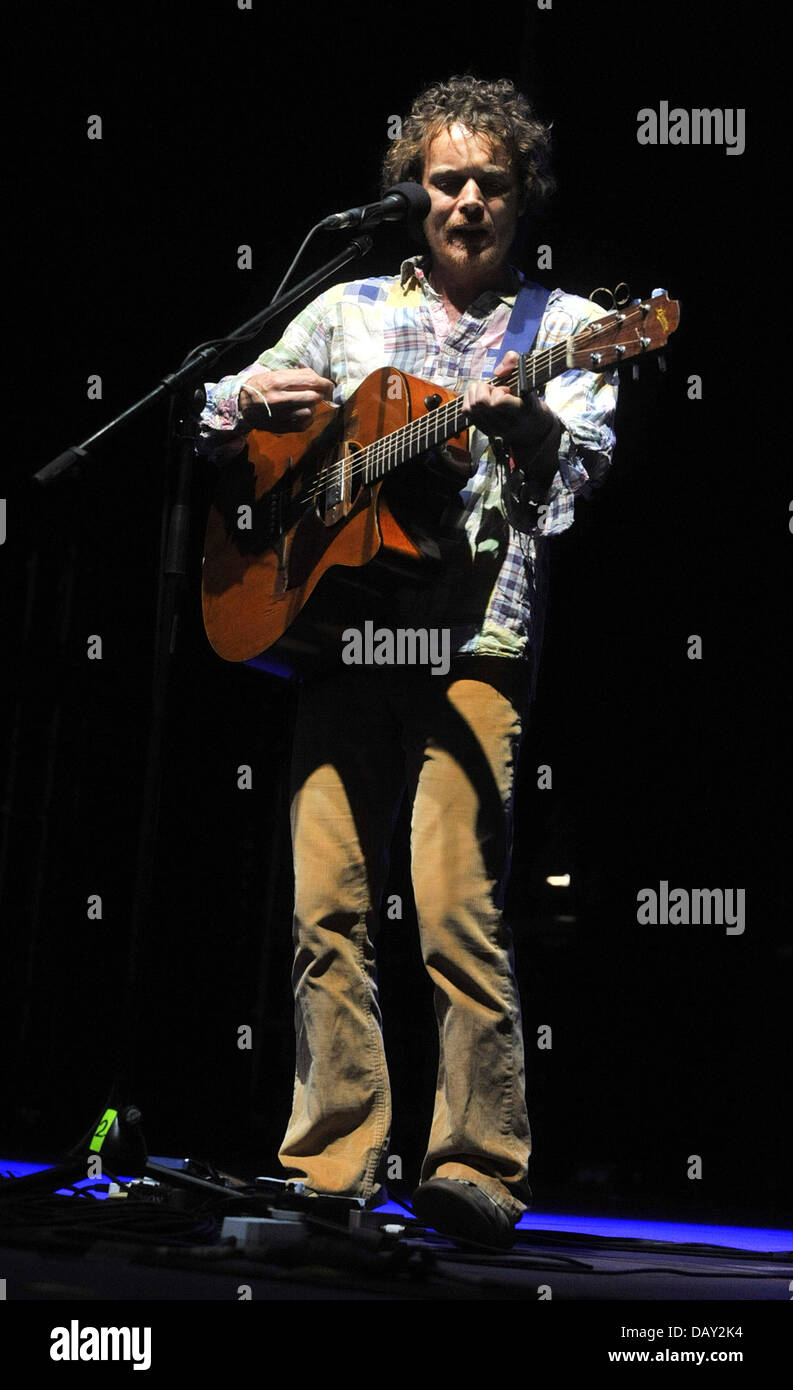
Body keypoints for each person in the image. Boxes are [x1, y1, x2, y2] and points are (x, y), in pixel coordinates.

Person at [198, 75, 617, 1250]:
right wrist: (241, 399)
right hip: (342, 637)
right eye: (446, 180)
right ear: (413, 192)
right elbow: (228, 412)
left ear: (519, 195)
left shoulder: (569, 327)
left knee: (454, 909)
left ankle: (475, 1167)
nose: (467, 199)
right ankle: (332, 1160)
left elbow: (572, 472)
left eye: (490, 181)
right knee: (324, 905)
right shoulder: (344, 311)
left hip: (476, 638)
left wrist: (527, 427)